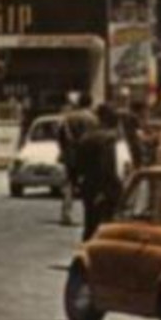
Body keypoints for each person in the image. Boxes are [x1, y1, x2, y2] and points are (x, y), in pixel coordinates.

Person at [75, 103, 125, 240]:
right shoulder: (109, 139)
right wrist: (108, 190)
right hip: (105, 189)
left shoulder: (86, 137)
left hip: (88, 186)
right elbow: (107, 167)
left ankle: (85, 253)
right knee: (107, 227)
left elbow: (78, 165)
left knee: (90, 224)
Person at [57, 93, 98, 226]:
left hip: (70, 155)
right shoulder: (93, 119)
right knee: (89, 183)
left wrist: (64, 150)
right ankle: (90, 212)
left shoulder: (68, 118)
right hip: (87, 156)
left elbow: (60, 136)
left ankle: (66, 213)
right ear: (90, 103)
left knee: (69, 184)